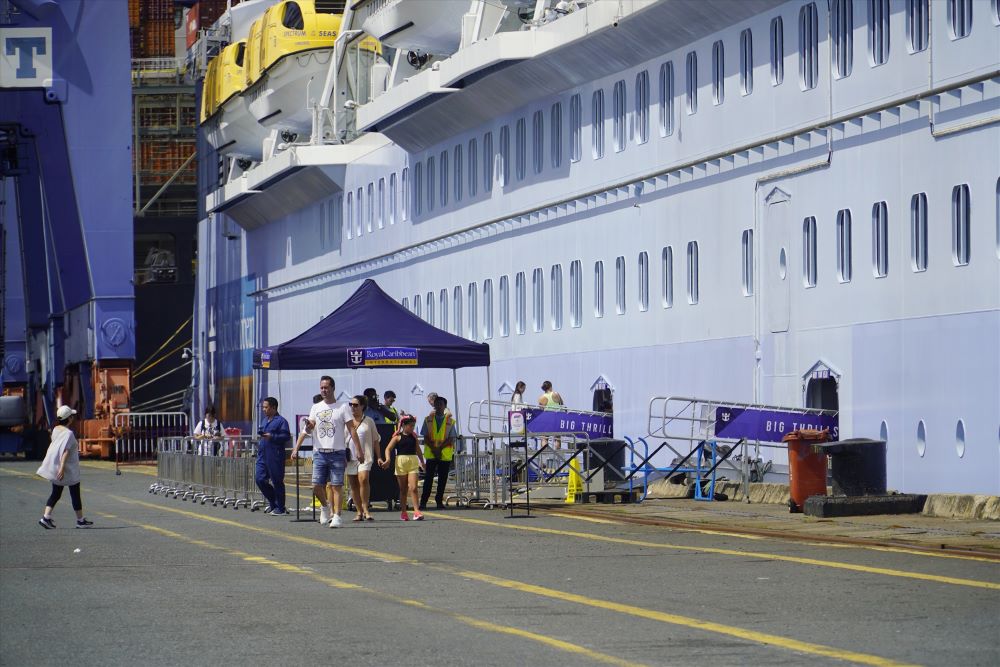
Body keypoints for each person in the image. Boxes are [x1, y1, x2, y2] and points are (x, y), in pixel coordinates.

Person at [303, 375, 362, 528]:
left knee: (336, 485)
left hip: (337, 452)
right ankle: (324, 507)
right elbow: (310, 427)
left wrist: (359, 450)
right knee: (317, 485)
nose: (324, 390)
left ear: (333, 388)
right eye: (322, 387)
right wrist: (309, 426)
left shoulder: (343, 407)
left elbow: (351, 429)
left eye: (326, 387)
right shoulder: (316, 407)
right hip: (319, 451)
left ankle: (337, 516)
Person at [37, 405, 93, 529]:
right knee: (75, 494)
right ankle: (80, 520)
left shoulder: (55, 430)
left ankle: (46, 517)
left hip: (57, 468)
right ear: (69, 419)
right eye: (72, 416)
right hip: (68, 470)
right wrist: (62, 467)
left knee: (55, 494)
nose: (73, 418)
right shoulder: (69, 434)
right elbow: (65, 452)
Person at [380, 415, 425, 521]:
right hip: (401, 463)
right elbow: (388, 449)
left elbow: (418, 450)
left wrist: (422, 462)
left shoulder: (414, 437)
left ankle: (416, 511)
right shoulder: (397, 437)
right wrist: (388, 459)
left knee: (413, 488)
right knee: (403, 489)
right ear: (404, 425)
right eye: (410, 426)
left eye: (413, 426)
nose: (412, 428)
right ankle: (404, 512)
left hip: (413, 461)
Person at [345, 394, 381, 522]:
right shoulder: (347, 421)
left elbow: (376, 440)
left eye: (355, 405)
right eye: (351, 405)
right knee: (353, 484)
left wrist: (379, 457)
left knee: (364, 479)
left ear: (362, 406)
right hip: (350, 457)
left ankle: (366, 509)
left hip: (365, 456)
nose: (353, 408)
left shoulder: (369, 421)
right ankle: (359, 511)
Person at [420, 395, 458, 511]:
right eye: (437, 404)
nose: (439, 406)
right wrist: (434, 449)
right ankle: (423, 502)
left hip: (444, 455)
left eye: (441, 404)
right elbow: (425, 437)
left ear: (445, 406)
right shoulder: (428, 419)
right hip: (432, 454)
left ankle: (439, 501)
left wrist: (438, 449)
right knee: (428, 479)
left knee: (442, 480)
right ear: (434, 405)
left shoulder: (450, 422)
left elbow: (451, 438)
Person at [257, 397, 291, 516]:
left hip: (275, 455)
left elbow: (286, 437)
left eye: (266, 407)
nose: (264, 410)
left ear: (274, 408)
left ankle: (280, 508)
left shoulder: (281, 421)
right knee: (260, 479)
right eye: (263, 407)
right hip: (262, 455)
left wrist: (272, 436)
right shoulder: (264, 421)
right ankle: (274, 502)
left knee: (277, 481)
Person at [290, 394, 324, 460]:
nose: (316, 408)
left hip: (334, 453)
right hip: (318, 454)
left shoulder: (332, 417)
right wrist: (295, 450)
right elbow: (303, 434)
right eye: (315, 406)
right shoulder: (312, 419)